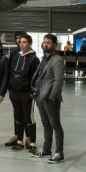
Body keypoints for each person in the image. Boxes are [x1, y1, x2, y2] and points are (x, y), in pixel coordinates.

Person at [31, 33, 65, 164]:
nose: (45, 44)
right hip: (40, 96)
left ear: (54, 45)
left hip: (51, 98)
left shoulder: (57, 60)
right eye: (44, 42)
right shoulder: (44, 59)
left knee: (55, 125)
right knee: (46, 125)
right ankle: (46, 150)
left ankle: (59, 153)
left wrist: (52, 96)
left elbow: (58, 80)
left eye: (48, 42)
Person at [6, 32, 39, 151]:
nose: (22, 44)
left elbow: (35, 78)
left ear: (30, 44)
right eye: (20, 42)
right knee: (18, 117)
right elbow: (11, 72)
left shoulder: (34, 59)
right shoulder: (16, 56)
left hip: (27, 94)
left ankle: (32, 143)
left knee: (29, 118)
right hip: (14, 92)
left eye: (24, 42)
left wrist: (32, 92)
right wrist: (10, 87)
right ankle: (19, 141)